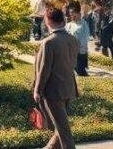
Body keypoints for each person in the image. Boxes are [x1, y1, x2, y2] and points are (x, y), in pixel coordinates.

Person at [33, 8, 79, 149]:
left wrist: (37, 90)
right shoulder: (72, 39)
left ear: (48, 21)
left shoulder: (49, 42)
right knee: (60, 125)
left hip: (53, 91)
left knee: (63, 130)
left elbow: (44, 70)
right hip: (69, 88)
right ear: (63, 20)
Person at [65, 6, 90, 77]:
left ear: (79, 14)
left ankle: (85, 78)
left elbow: (86, 36)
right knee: (75, 68)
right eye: (71, 14)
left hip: (81, 50)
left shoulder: (84, 23)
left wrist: (80, 45)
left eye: (73, 13)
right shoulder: (68, 25)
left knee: (81, 70)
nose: (72, 16)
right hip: (72, 51)